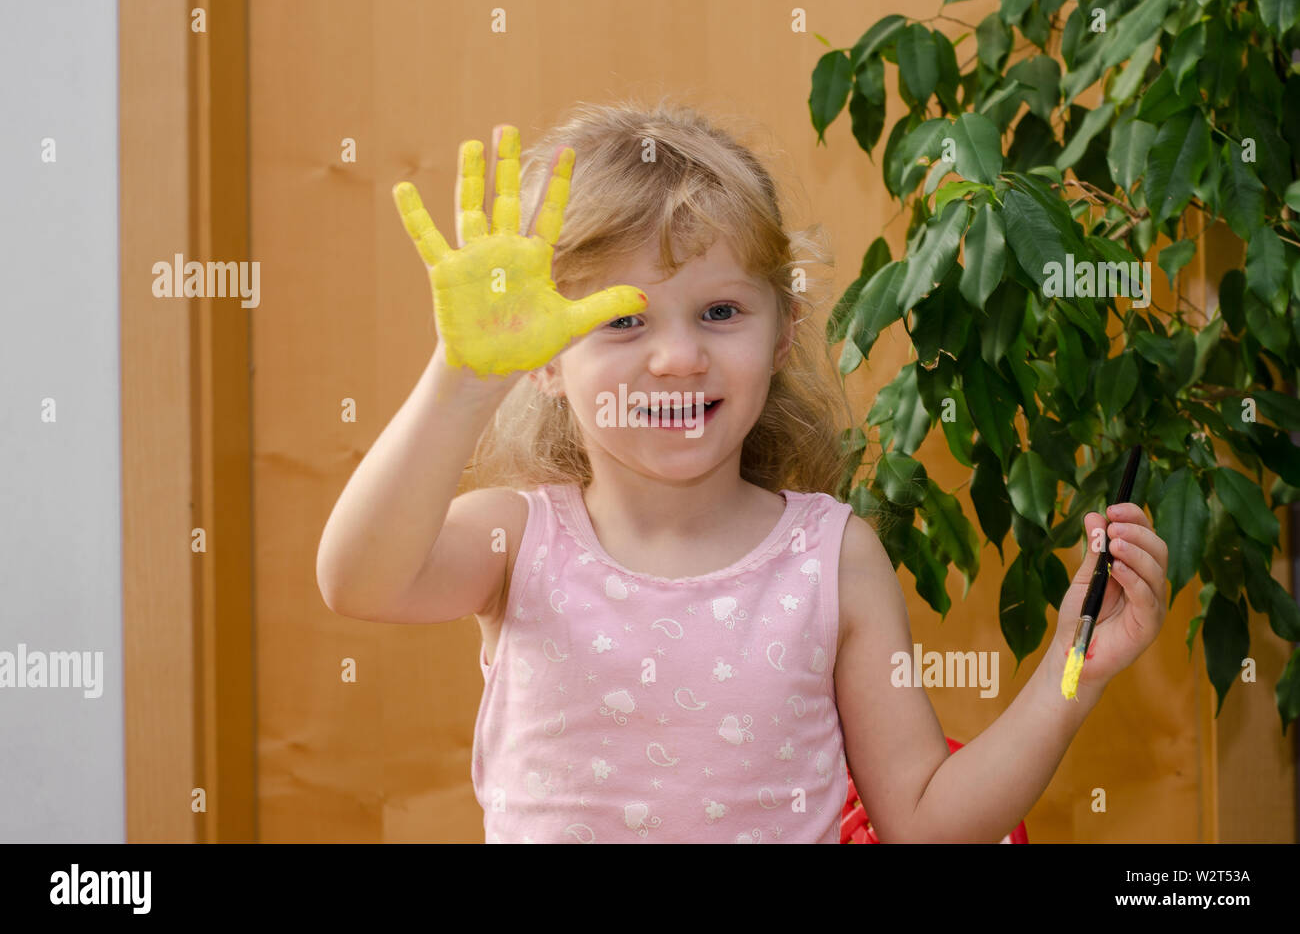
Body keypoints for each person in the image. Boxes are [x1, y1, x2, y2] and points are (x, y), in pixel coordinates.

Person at [316, 100, 1170, 843]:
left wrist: (1073, 664)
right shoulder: (514, 537)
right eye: (621, 320)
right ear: (544, 354)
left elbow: (925, 819)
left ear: (783, 332)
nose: (678, 356)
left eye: (720, 311)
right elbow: (357, 579)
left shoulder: (834, 557)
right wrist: (459, 384)